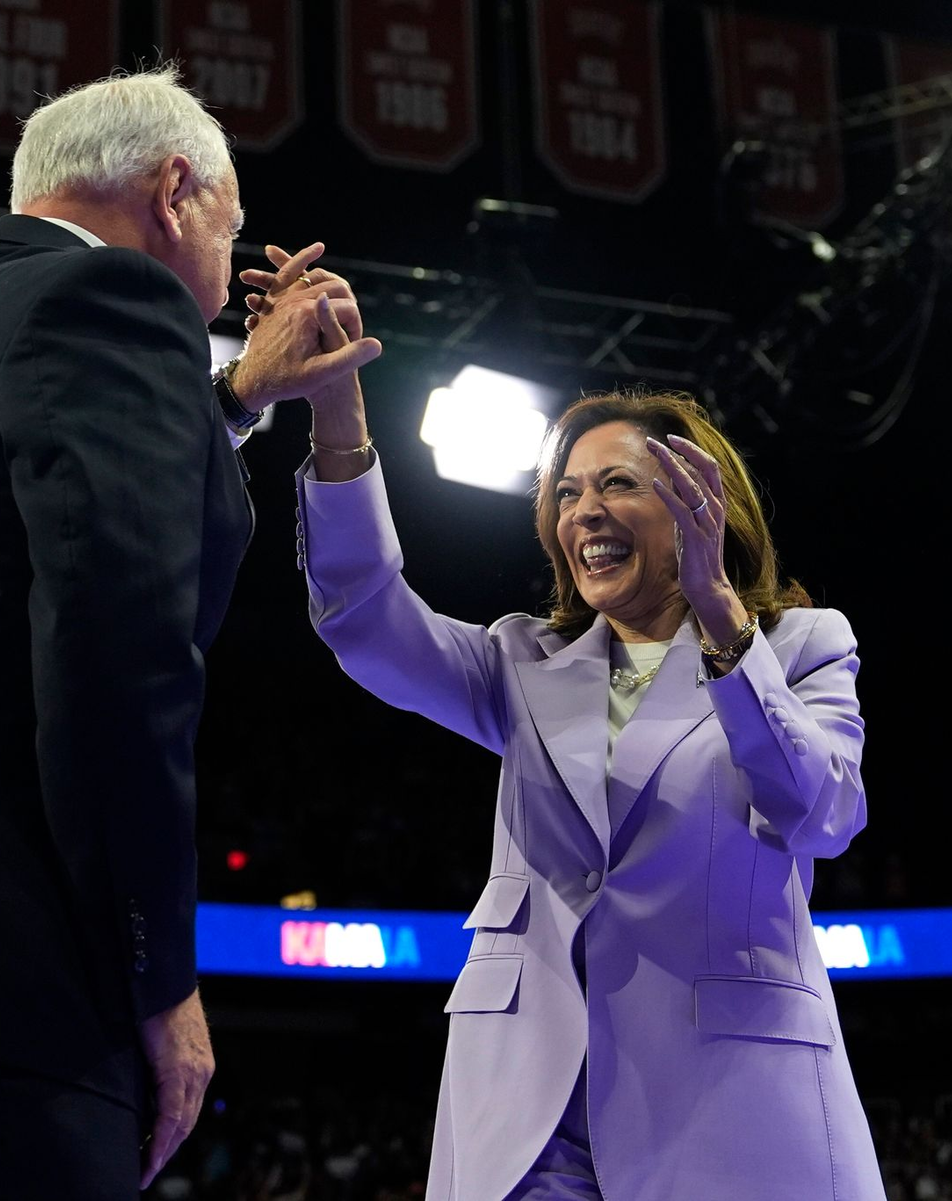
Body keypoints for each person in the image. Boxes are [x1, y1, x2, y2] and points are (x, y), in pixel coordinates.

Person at [0, 70, 379, 1200]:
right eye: (229, 232)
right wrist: (157, 975)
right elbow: (116, 665)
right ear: (177, 190)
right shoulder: (120, 306)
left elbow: (21, 528)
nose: (217, 279)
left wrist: (234, 396)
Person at [246, 246, 884, 1200]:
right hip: (532, 1117)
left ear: (703, 505)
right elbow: (366, 616)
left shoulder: (797, 647)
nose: (587, 508)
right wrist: (337, 413)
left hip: (726, 1108)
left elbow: (823, 813)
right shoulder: (521, 662)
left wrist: (719, 619)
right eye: (569, 491)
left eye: (620, 484)